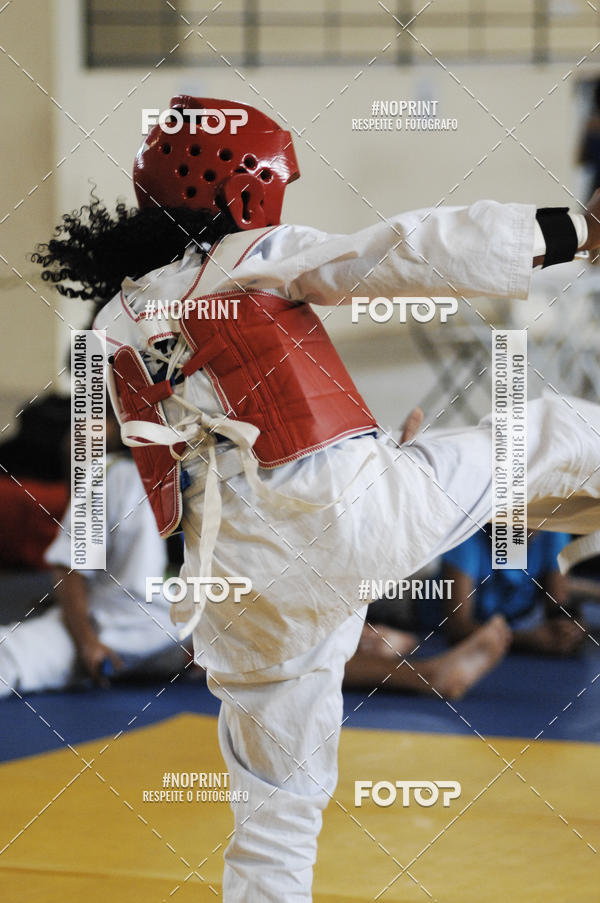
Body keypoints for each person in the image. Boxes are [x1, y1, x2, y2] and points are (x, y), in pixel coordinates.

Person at [33, 95, 600, 902]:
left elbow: (209, 457)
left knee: (275, 817)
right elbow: (412, 250)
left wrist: (372, 463)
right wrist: (574, 234)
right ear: (243, 187)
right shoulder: (253, 252)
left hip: (238, 592)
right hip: (350, 510)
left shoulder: (110, 329)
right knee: (556, 432)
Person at [0, 413, 187, 697]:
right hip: (107, 632)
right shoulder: (114, 476)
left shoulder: (207, 477)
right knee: (9, 658)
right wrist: (87, 642)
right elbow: (69, 569)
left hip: (176, 643)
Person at [442, 528, 584, 656]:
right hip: (434, 632)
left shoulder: (553, 531)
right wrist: (526, 640)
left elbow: (559, 607)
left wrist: (570, 629)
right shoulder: (466, 537)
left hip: (512, 628)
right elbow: (457, 628)